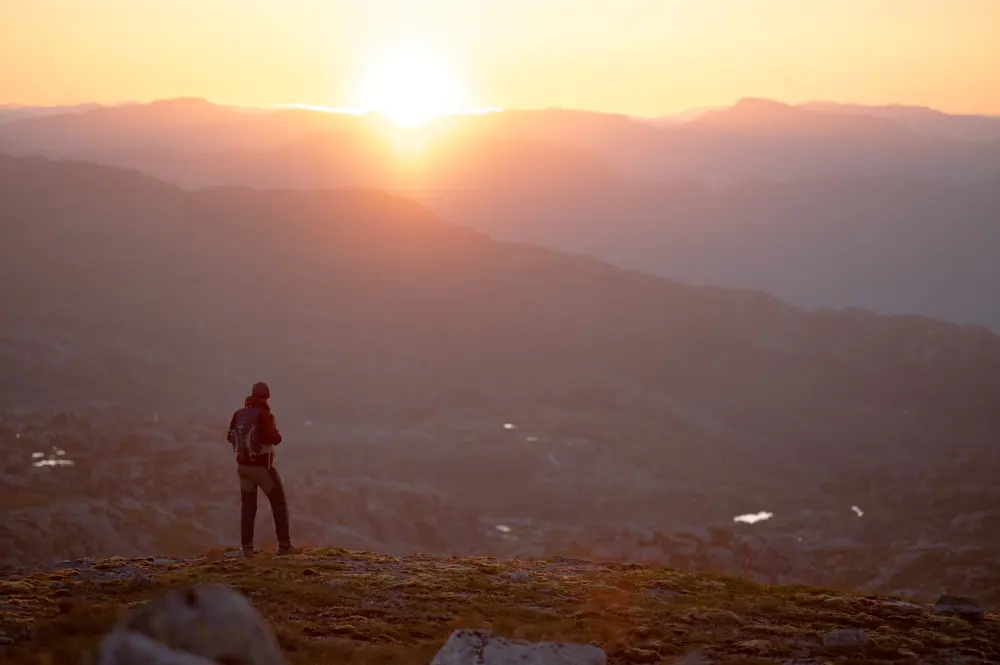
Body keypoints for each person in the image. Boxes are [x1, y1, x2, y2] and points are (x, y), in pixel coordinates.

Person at [227, 382, 300, 557]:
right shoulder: (265, 414)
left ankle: (247, 549)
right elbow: (274, 438)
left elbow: (230, 436)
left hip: (242, 467)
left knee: (248, 506)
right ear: (267, 397)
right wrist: (276, 433)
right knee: (278, 503)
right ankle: (284, 546)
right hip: (261, 468)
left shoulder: (239, 414)